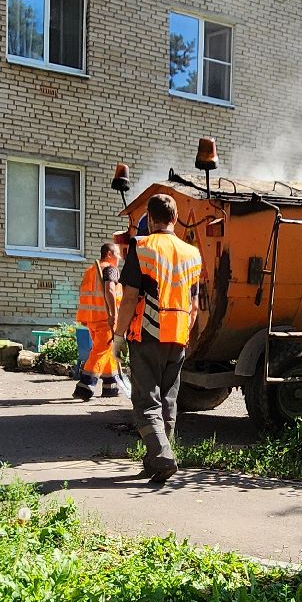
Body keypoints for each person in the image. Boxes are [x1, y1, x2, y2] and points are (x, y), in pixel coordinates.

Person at [114, 194, 202, 484]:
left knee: (145, 399)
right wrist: (185, 334)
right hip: (178, 334)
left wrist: (117, 337)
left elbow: (128, 298)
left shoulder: (142, 247)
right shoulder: (193, 254)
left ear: (150, 219)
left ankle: (163, 455)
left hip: (149, 332)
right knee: (168, 399)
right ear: (175, 219)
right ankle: (155, 462)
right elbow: (195, 304)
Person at [73, 242, 124, 400]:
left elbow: (85, 294)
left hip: (91, 319)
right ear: (109, 254)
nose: (120, 257)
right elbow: (109, 289)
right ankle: (85, 386)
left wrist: (85, 317)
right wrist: (114, 315)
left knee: (106, 351)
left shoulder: (91, 270)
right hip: (105, 318)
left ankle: (110, 385)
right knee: (100, 351)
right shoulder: (110, 269)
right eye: (117, 253)